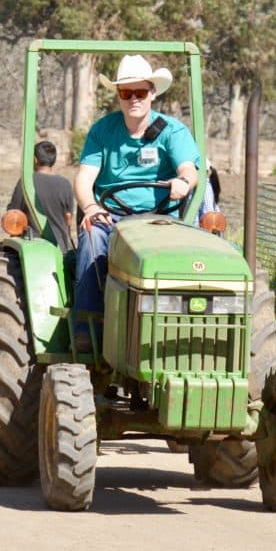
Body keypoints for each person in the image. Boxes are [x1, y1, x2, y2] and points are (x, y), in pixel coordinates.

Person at [73, 54, 199, 351]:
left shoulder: (172, 131)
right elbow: (83, 179)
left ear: (152, 93)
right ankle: (88, 327)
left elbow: (189, 170)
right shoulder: (103, 131)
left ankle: (181, 331)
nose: (133, 99)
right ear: (118, 96)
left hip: (161, 218)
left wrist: (183, 182)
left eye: (140, 92)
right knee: (91, 235)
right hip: (111, 218)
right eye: (126, 93)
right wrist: (91, 207)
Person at [6, 141, 75, 252]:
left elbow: (13, 214)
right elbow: (68, 218)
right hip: (60, 247)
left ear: (35, 160)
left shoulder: (26, 182)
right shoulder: (65, 184)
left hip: (31, 244)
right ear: (53, 160)